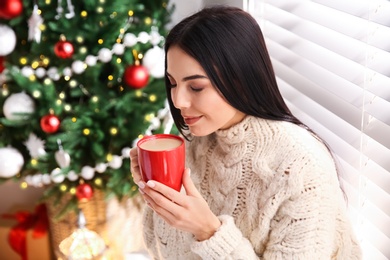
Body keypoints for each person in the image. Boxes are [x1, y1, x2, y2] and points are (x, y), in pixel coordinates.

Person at [130, 5, 361, 260]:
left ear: (239, 78)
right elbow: (162, 250)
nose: (178, 101)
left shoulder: (301, 167)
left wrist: (209, 232)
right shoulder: (203, 139)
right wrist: (159, 193)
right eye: (173, 83)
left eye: (195, 87)